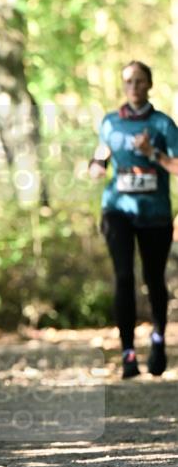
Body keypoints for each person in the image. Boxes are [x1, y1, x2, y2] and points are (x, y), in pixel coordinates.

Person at [89, 60, 178, 378]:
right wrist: (96, 165)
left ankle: (158, 341)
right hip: (117, 210)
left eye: (139, 81)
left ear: (149, 84)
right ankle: (127, 353)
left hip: (155, 214)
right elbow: (100, 155)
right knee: (124, 276)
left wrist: (153, 153)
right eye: (128, 81)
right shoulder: (111, 122)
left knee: (153, 278)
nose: (134, 87)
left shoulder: (163, 124)